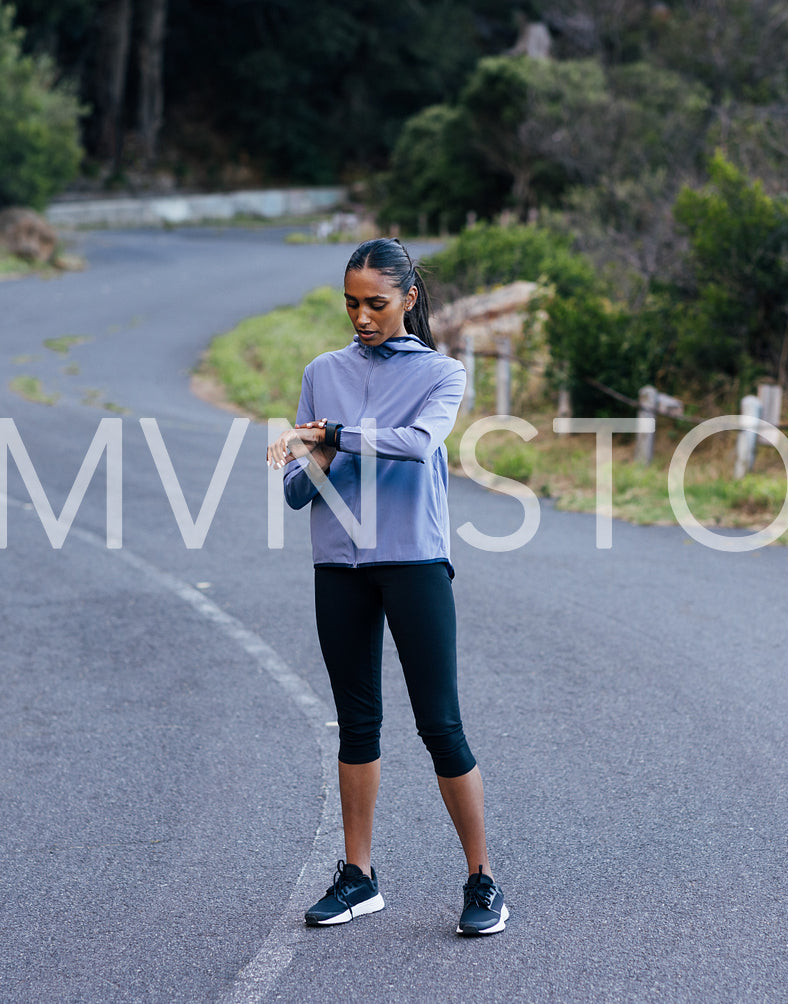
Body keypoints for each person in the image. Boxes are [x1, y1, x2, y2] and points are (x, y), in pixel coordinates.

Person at [266, 237, 508, 937]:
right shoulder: (322, 371)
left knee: (440, 724)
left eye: (375, 303)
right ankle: (357, 877)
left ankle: (482, 879)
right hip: (338, 566)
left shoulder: (442, 374)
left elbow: (421, 443)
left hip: (413, 561)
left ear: (407, 298)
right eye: (350, 303)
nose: (362, 316)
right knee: (357, 724)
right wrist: (311, 456)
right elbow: (294, 494)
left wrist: (333, 434)